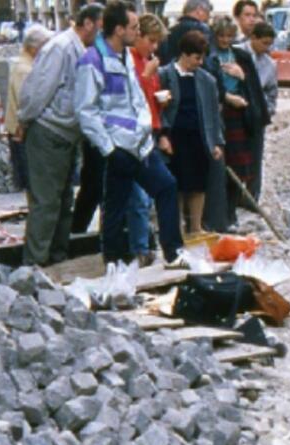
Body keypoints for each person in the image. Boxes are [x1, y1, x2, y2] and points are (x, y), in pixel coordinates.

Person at [74, 0, 183, 264]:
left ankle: (172, 252)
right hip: (119, 146)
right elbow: (85, 111)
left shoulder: (123, 57)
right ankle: (113, 261)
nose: (137, 30)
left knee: (161, 189)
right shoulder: (93, 60)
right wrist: (109, 149)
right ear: (119, 29)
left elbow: (135, 100)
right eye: (133, 26)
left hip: (137, 144)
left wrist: (145, 133)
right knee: (117, 204)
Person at [17, 3, 103, 267]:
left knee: (63, 201)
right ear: (87, 23)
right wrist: (25, 119)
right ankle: (34, 264)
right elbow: (39, 88)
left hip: (65, 134)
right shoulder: (61, 47)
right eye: (99, 27)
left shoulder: (79, 49)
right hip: (49, 130)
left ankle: (56, 257)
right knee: (47, 202)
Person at [206, 16, 270, 229]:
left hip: (240, 115)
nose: (225, 40)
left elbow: (253, 87)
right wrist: (225, 97)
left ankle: (231, 212)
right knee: (221, 168)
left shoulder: (241, 56)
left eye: (229, 36)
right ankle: (220, 216)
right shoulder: (209, 56)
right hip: (220, 114)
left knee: (239, 167)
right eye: (221, 36)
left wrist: (242, 77)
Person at [158, 30, 224, 236]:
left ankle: (195, 227)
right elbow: (157, 109)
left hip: (199, 137)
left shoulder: (207, 80)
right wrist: (162, 134)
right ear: (185, 54)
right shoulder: (165, 75)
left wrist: (216, 142)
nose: (200, 62)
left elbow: (214, 113)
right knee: (175, 184)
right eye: (197, 57)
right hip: (175, 137)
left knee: (198, 184)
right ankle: (175, 227)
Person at [129, 13, 169, 266]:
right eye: (151, 41)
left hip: (151, 129)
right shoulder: (132, 62)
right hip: (135, 133)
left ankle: (145, 243)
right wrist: (146, 75)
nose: (154, 48)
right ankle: (140, 248)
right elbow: (131, 98)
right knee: (139, 196)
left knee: (148, 194)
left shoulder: (146, 61)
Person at [4, 25, 50, 195]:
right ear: (33, 47)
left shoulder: (26, 66)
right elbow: (27, 103)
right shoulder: (25, 69)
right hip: (22, 133)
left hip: (21, 131)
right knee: (34, 183)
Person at [246, 22, 278, 201]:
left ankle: (252, 197)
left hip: (257, 116)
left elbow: (272, 92)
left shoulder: (269, 64)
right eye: (264, 43)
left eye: (269, 44)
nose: (267, 48)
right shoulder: (237, 54)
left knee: (255, 158)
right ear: (253, 38)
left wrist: (268, 110)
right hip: (236, 114)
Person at [160, 0, 212, 64]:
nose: (208, 17)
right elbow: (207, 59)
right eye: (207, 13)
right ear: (199, 10)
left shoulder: (170, 31)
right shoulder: (203, 29)